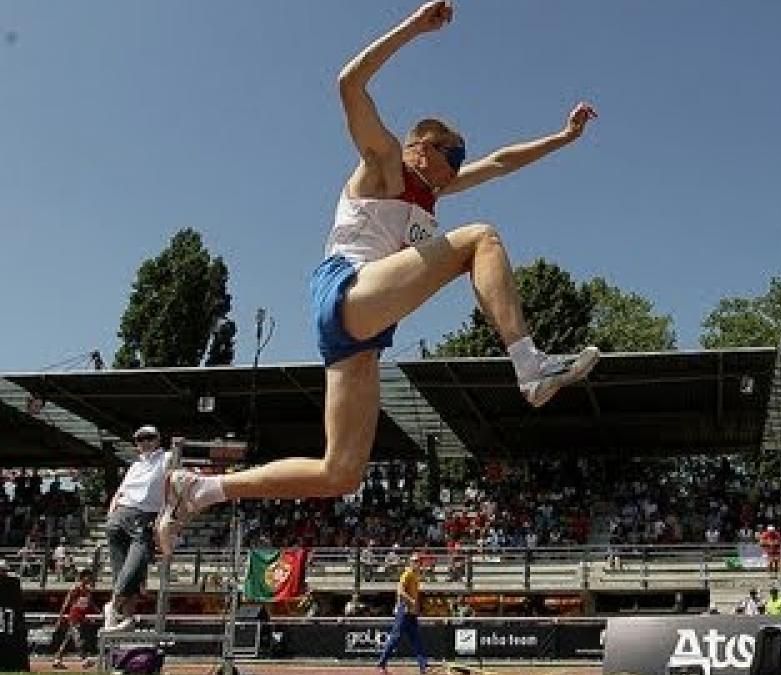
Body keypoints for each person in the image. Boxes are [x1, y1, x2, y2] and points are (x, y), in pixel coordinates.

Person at [154, 0, 600, 556]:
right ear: (420, 146)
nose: (456, 169)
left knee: (340, 471)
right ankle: (528, 364)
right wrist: (415, 26)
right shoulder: (385, 160)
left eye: (460, 162)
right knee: (480, 237)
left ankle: (202, 489)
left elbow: (504, 161)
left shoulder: (434, 189)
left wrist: (564, 137)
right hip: (346, 288)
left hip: (360, 328)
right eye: (450, 156)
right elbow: (349, 83)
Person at [103, 425, 169, 633]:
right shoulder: (135, 466)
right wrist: (112, 510)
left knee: (134, 567)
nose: (145, 442)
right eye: (140, 439)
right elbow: (120, 491)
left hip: (144, 517)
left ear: (158, 439)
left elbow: (177, 462)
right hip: (121, 516)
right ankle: (127, 616)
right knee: (121, 570)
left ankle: (113, 606)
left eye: (150, 438)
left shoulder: (165, 458)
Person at [378, 553, 428, 674]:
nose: (417, 563)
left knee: (416, 639)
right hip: (404, 610)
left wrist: (415, 607)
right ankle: (382, 663)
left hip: (411, 612)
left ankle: (423, 665)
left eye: (418, 561)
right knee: (395, 638)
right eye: (414, 561)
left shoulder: (415, 575)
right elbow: (400, 591)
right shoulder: (407, 574)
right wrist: (409, 601)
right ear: (410, 562)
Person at [51, 568, 97, 670]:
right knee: (78, 638)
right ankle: (85, 660)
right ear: (83, 577)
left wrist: (98, 613)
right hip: (74, 617)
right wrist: (60, 618)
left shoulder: (88, 591)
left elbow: (91, 604)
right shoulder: (75, 589)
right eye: (88, 576)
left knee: (68, 640)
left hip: (82, 618)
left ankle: (57, 660)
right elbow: (66, 604)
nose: (90, 578)